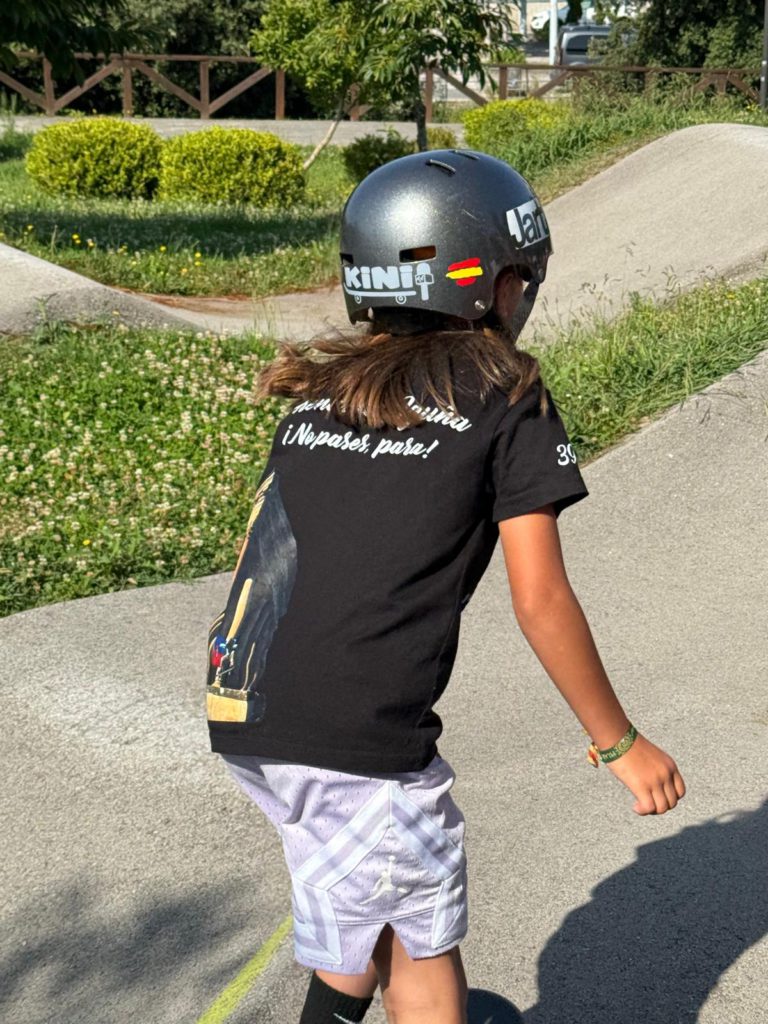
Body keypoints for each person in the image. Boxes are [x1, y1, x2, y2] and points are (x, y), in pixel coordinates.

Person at [205, 149, 686, 1024]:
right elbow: (541, 600)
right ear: (488, 284)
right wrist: (619, 742)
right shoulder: (508, 394)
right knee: (420, 946)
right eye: (518, 276)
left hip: (250, 703)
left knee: (363, 906)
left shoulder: (321, 393)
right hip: (359, 734)